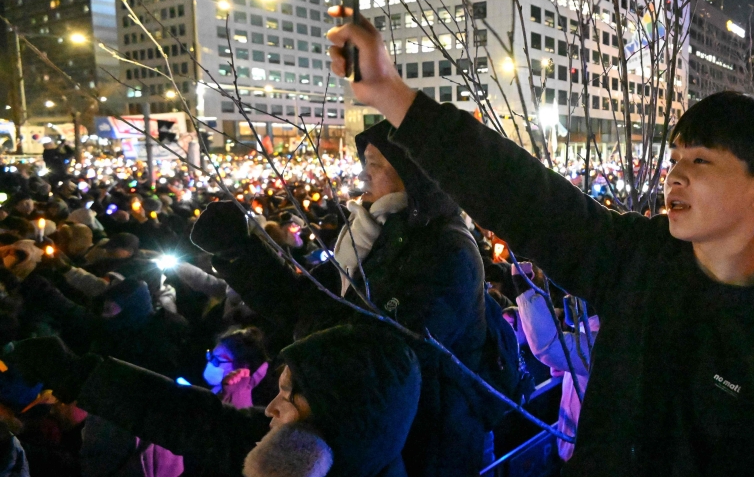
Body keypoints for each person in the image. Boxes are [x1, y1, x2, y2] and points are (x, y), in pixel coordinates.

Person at [326, 7, 754, 475]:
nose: (675, 176)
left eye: (700, 161)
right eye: (675, 158)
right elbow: (521, 193)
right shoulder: (637, 260)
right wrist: (390, 93)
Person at [191, 119, 490, 477]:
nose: (364, 176)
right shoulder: (368, 235)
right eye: (365, 163)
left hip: (424, 448)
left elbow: (380, 359)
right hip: (360, 439)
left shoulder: (445, 252)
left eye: (376, 165)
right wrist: (239, 251)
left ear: (417, 174)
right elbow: (304, 304)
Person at [5, 323, 422, 477]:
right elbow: (190, 419)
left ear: (340, 411)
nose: (271, 408)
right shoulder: (291, 452)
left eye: (289, 396)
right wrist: (77, 374)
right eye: (276, 390)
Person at [512, 261, 599, 462]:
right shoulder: (589, 334)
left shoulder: (601, 342)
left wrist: (527, 290)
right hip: (574, 447)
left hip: (584, 454)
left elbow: (548, 346)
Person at [203, 327, 269, 409]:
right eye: (211, 355)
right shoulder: (222, 387)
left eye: (217, 360)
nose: (210, 363)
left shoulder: (238, 405)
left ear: (242, 367)